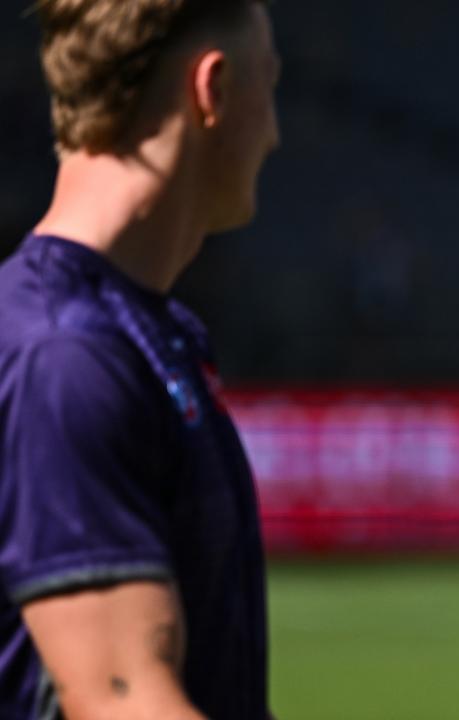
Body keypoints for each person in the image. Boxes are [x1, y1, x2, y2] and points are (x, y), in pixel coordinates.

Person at [0, 1, 280, 717]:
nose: (275, 135)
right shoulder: (66, 354)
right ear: (210, 89)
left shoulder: (156, 334)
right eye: (269, 87)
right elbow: (122, 699)